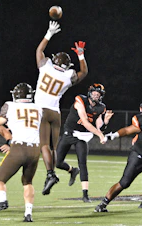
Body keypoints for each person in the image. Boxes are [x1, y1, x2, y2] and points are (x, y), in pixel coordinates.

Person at [35, 20, 88, 195]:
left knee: (43, 145)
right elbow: (84, 73)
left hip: (41, 110)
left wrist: (49, 34)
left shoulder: (45, 67)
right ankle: (70, 170)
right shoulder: (68, 75)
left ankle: (50, 174)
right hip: (55, 113)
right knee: (52, 148)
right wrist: (81, 55)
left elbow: (39, 51)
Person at [0, 83, 42, 222]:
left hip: (18, 148)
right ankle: (28, 214)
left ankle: (2, 201)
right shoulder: (38, 108)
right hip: (35, 150)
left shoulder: (9, 105)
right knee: (27, 182)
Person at [56, 84, 112, 202]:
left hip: (83, 136)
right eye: (94, 93)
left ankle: (85, 194)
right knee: (58, 162)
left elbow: (98, 126)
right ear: (90, 93)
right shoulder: (80, 100)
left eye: (98, 94)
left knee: (83, 163)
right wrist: (100, 135)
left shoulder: (101, 107)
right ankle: (72, 170)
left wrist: (105, 122)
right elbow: (86, 123)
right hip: (70, 132)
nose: (96, 95)